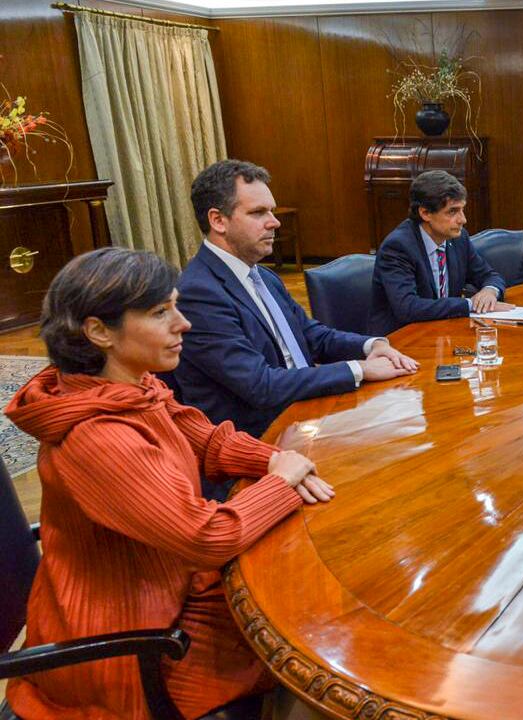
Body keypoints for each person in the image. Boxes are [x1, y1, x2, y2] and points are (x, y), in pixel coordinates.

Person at [4, 247, 333, 718]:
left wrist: (279, 459)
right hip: (132, 641)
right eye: (161, 312)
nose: (184, 324)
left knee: (305, 614)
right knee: (312, 652)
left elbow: (209, 442)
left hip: (165, 590)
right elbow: (206, 536)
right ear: (99, 332)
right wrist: (280, 483)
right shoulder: (98, 437)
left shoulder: (131, 387)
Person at [173, 159, 417, 439]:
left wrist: (371, 346)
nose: (274, 222)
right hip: (259, 440)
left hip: (306, 416)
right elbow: (261, 385)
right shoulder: (198, 293)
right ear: (218, 220)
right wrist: (360, 369)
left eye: (271, 211)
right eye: (258, 212)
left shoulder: (263, 276)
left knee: (408, 420)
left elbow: (312, 337)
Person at [370, 170, 510, 336]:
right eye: (452, 211)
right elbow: (407, 307)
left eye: (462, 210)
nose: (463, 220)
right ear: (425, 213)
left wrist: (489, 290)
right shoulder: (398, 247)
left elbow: (489, 275)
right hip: (402, 339)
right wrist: (469, 305)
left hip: (444, 332)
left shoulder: (458, 238)